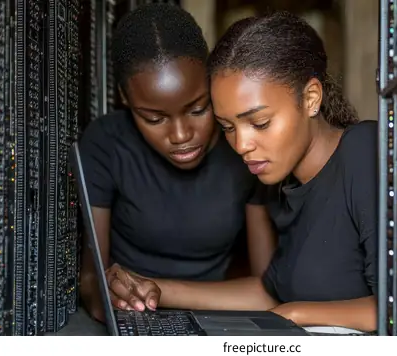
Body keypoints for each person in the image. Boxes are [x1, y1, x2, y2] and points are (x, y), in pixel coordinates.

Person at [105, 11, 378, 332]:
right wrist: (156, 289)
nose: (241, 145)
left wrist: (292, 316)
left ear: (311, 99)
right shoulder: (282, 185)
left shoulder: (363, 150)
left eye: (259, 123)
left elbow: (396, 308)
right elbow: (268, 292)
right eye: (227, 127)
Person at [78, 3, 277, 322]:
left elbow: (270, 290)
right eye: (154, 118)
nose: (182, 135)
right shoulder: (106, 145)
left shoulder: (244, 149)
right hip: (129, 318)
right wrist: (116, 300)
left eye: (198, 110)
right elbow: (92, 283)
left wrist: (157, 289)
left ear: (212, 81)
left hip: (215, 316)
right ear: (126, 99)